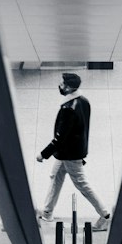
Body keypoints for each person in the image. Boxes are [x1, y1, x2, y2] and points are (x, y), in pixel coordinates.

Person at [36, 71, 111, 230]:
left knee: (82, 184)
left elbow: (60, 137)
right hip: (72, 150)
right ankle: (47, 212)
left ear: (69, 88)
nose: (60, 86)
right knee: (55, 176)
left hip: (70, 154)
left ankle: (105, 216)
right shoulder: (84, 101)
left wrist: (43, 154)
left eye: (63, 84)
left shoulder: (68, 108)